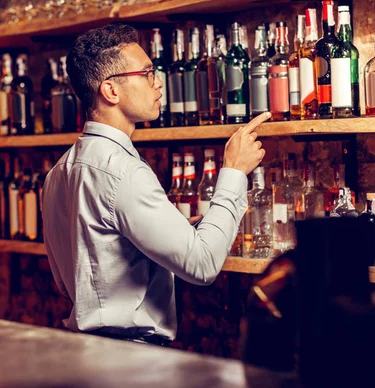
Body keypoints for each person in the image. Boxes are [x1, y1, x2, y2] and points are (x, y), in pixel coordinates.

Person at [42, 24, 269, 345]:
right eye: (147, 73)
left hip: (87, 350)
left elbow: (72, 277)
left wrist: (179, 228)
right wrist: (234, 170)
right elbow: (203, 266)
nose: (158, 82)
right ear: (111, 91)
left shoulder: (57, 173)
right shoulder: (123, 171)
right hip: (131, 358)